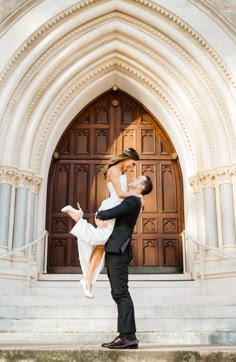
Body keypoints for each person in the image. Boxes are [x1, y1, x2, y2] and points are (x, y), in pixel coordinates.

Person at [61, 148, 141, 298]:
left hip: (116, 209)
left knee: (100, 245)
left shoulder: (120, 172)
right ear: (128, 158)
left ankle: (88, 280)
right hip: (112, 208)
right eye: (132, 163)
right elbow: (120, 194)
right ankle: (78, 218)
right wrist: (137, 196)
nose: (132, 166)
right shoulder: (114, 170)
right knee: (98, 239)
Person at [95, 175, 153, 349]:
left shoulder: (133, 201)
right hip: (116, 249)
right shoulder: (133, 200)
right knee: (118, 292)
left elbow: (108, 213)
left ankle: (127, 336)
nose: (133, 178)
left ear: (141, 187)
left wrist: (99, 214)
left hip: (119, 250)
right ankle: (127, 335)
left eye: (138, 178)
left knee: (121, 292)